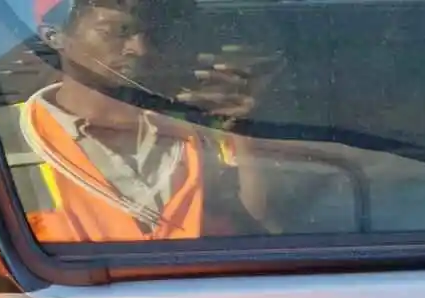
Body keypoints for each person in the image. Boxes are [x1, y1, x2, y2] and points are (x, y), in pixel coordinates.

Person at [21, 0, 275, 242]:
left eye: (150, 35)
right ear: (54, 37)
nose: (140, 49)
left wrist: (243, 134)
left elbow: (254, 227)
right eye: (117, 32)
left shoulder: (199, 131)